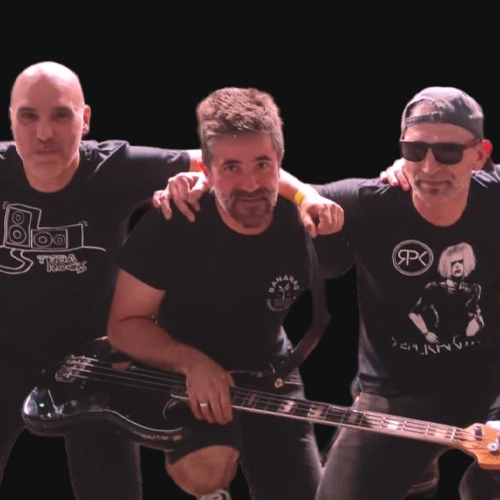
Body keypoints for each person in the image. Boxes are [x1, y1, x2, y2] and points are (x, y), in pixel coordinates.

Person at [159, 86, 500, 499]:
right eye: (415, 150)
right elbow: (272, 182)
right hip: (396, 392)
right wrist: (204, 180)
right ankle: (416, 471)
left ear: (479, 154)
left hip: (491, 386)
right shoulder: (369, 202)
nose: (429, 167)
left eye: (448, 152)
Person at [107, 86, 346, 500]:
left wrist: (402, 166)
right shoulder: (174, 221)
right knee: (206, 467)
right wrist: (191, 363)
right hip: (180, 367)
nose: (250, 183)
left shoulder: (311, 218)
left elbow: (397, 197)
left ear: (280, 162)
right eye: (231, 167)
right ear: (208, 169)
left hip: (269, 369)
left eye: (262, 164)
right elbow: (124, 325)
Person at [0, 60, 202, 500]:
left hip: (95, 360)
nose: (44, 133)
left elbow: (229, 162)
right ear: (11, 120)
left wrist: (307, 198)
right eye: (28, 117)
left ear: (85, 118)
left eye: (61, 115)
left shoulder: (113, 166)